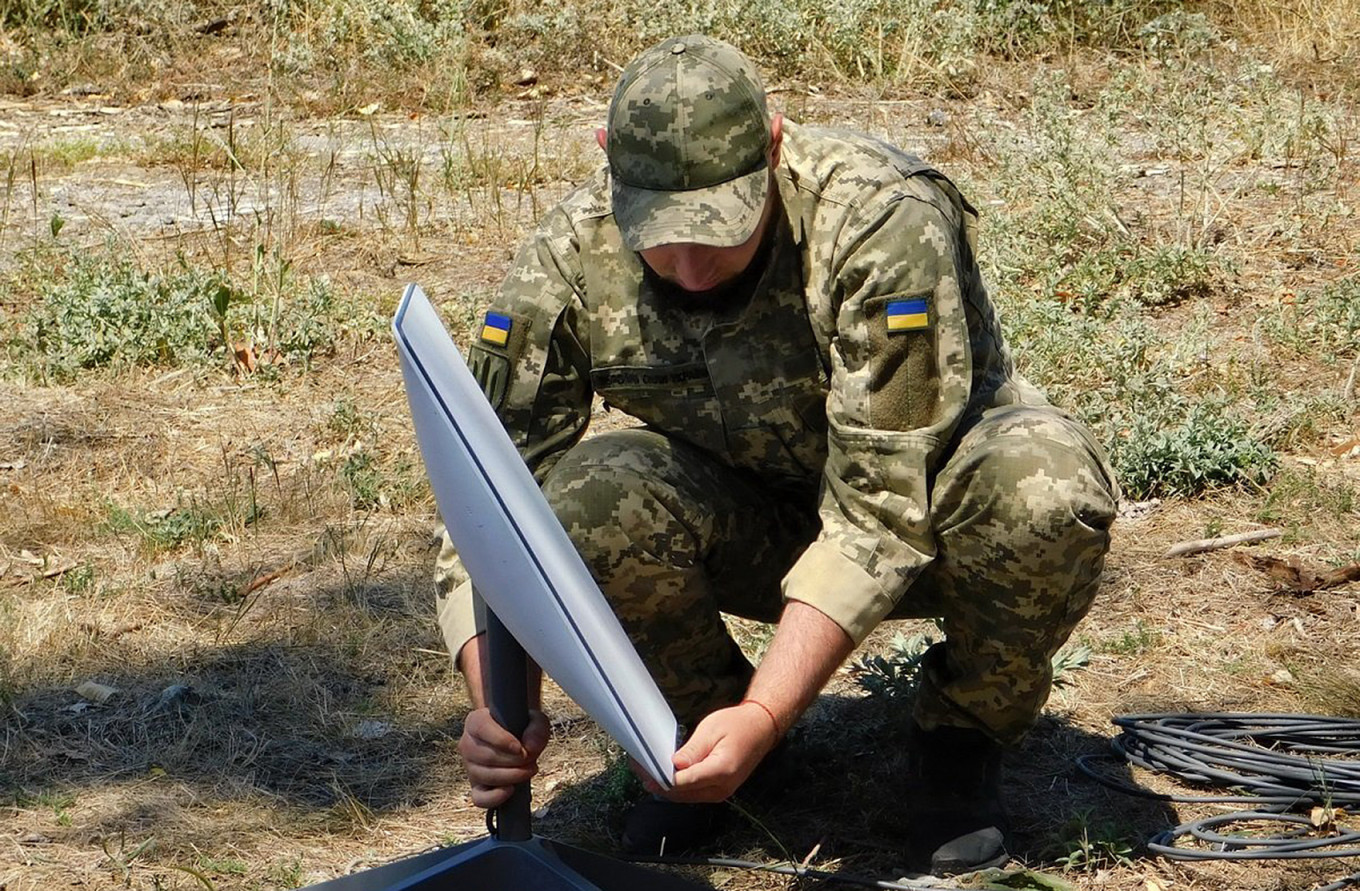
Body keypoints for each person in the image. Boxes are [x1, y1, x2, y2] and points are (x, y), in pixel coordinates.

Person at [434, 34, 1119, 875]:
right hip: (753, 523)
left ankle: (959, 739)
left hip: (935, 517)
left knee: (1042, 489)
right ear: (608, 161)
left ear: (774, 143)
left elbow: (879, 508)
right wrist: (497, 702)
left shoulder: (878, 220)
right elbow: (490, 497)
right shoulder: (566, 257)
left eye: (717, 229)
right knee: (585, 500)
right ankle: (699, 733)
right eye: (658, 233)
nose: (687, 268)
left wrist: (770, 710)